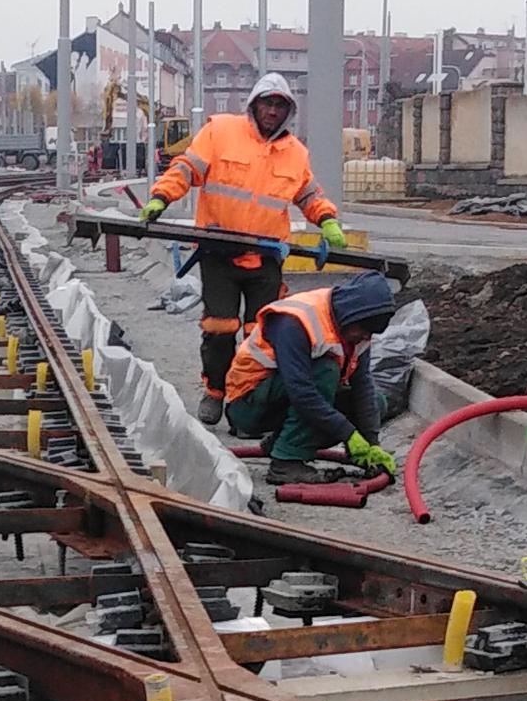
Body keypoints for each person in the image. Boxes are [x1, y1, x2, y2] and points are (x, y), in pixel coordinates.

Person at [139, 74, 353, 412]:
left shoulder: (295, 154)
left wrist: (327, 219)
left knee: (262, 333)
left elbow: (309, 193)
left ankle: (247, 400)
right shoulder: (220, 131)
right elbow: (186, 169)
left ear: (288, 112)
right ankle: (215, 392)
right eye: (268, 103)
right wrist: (160, 198)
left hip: (267, 256)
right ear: (254, 104)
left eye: (280, 105)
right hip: (218, 250)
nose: (272, 110)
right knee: (220, 327)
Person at [220, 268, 404, 475]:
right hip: (248, 404)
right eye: (363, 330)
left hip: (284, 398)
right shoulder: (295, 322)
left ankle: (281, 442)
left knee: (376, 403)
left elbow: (363, 387)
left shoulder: (355, 333)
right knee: (326, 371)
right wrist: (348, 433)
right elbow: (301, 392)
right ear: (352, 315)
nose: (364, 337)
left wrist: (371, 443)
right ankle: (286, 462)